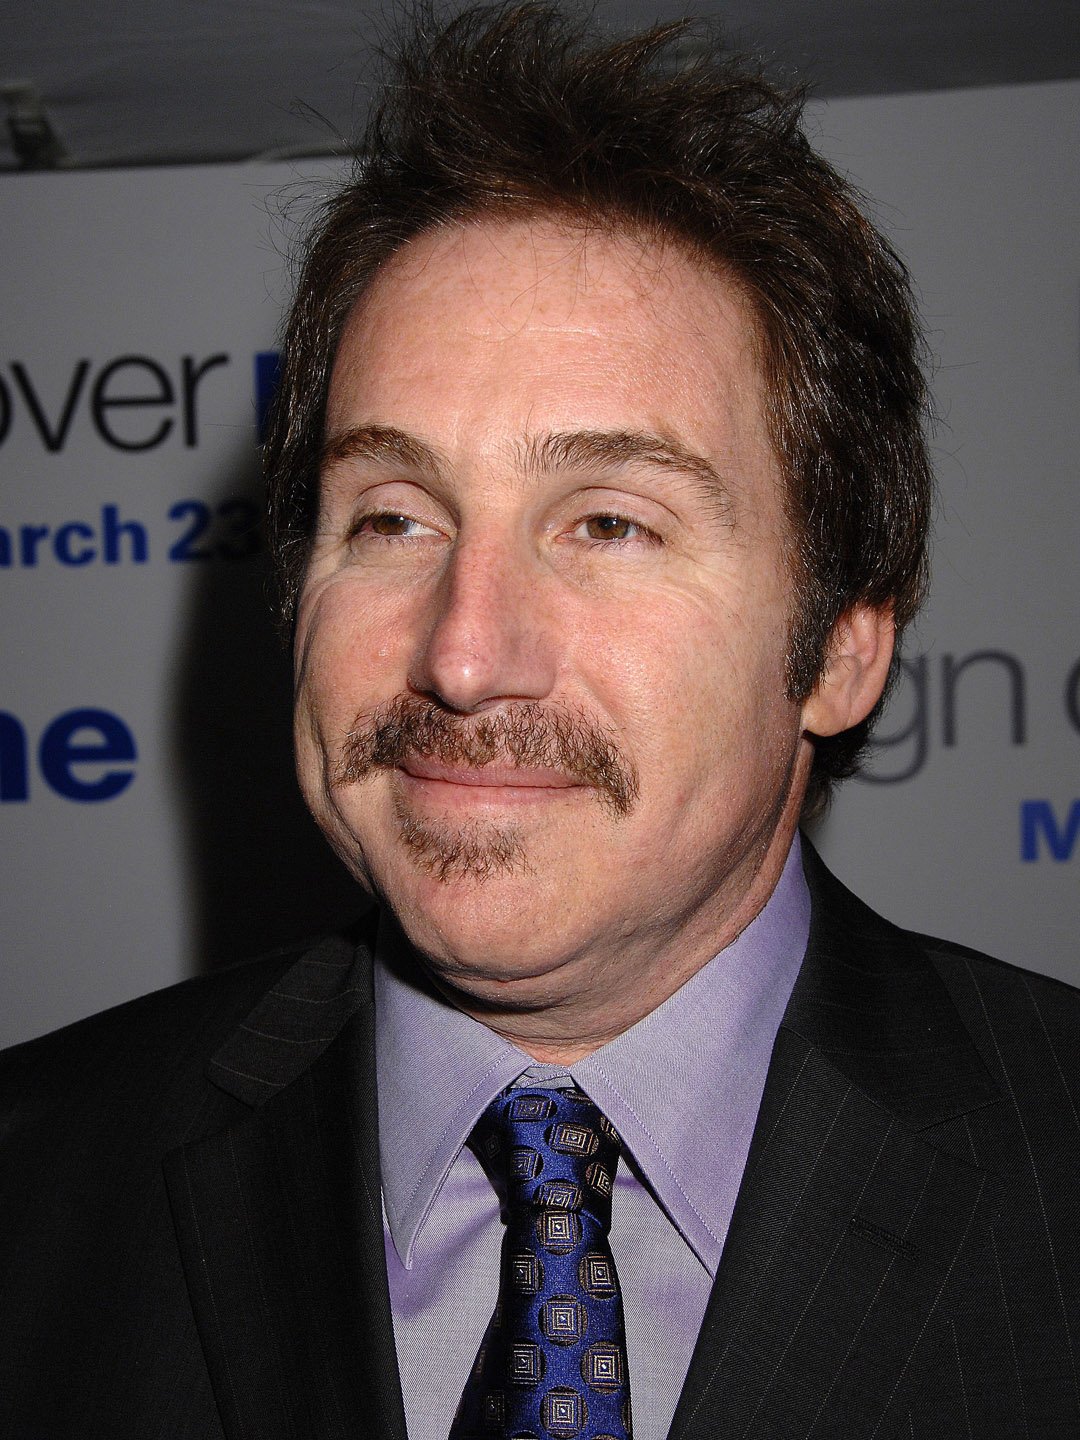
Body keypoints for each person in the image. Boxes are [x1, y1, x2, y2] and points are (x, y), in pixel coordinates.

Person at [2, 6, 1077, 1437]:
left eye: (610, 523)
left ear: (840, 648)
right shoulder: (34, 1188)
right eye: (392, 518)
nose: (461, 657)